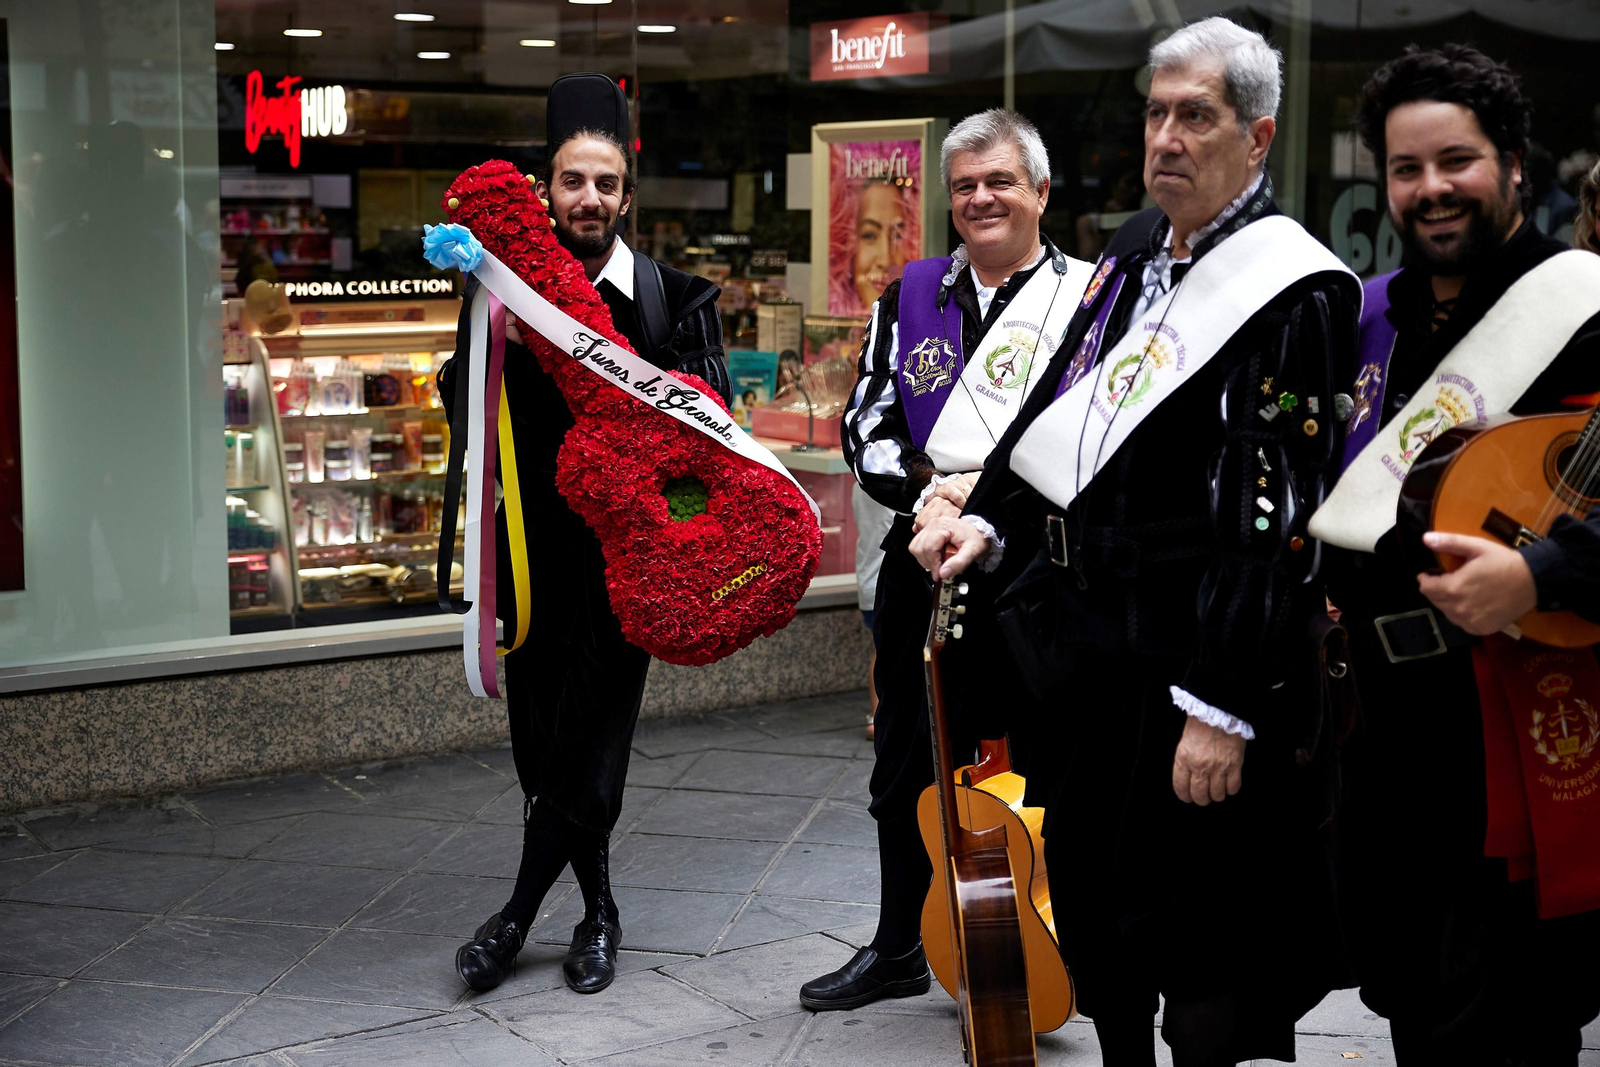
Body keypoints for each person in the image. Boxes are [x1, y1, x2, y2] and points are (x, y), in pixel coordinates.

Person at [907, 18, 1360, 1065]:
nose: (1165, 137)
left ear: (1257, 135)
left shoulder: (1295, 286)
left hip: (1190, 653)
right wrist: (986, 516)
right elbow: (1056, 407)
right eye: (1155, 113)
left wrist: (1222, 702)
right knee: (1098, 904)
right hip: (1082, 646)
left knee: (1194, 929)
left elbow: (1270, 511)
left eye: (1193, 115)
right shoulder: (1124, 247)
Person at [1308, 45, 1600, 1064]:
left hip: (1509, 718)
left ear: (1513, 164)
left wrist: (1542, 573)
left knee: (1510, 1012)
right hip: (1379, 728)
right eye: (1404, 167)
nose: (1430, 188)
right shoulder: (1371, 315)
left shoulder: (1582, 308)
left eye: (1456, 159)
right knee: (1410, 996)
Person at [444, 72, 731, 997]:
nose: (590, 199)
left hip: (628, 561)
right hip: (529, 557)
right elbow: (462, 417)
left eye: (606, 184)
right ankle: (599, 910)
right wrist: (494, 359)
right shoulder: (496, 298)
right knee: (539, 743)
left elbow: (708, 432)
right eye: (574, 181)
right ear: (546, 190)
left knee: (595, 735)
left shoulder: (673, 298)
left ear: (627, 197)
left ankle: (516, 915)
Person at [800, 109, 1094, 1012]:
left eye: (999, 180)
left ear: (1041, 192)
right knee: (906, 761)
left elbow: (1095, 437)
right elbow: (865, 423)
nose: (980, 198)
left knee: (1044, 762)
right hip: (922, 563)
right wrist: (929, 494)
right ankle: (897, 945)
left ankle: (1052, 949)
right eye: (964, 185)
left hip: (1040, 571)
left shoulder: (1091, 301)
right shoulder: (911, 294)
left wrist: (985, 499)